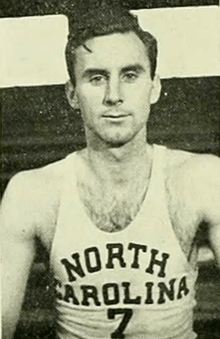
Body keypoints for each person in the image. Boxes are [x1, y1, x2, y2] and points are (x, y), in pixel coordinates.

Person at [1, 4, 220, 339]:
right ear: (72, 94)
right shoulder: (31, 193)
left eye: (130, 75)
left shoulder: (202, 179)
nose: (113, 96)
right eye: (96, 78)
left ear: (155, 87)